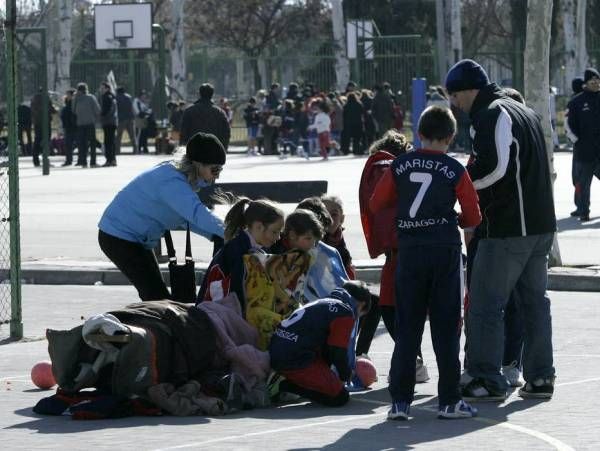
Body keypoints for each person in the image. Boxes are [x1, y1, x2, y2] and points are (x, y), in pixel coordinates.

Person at [445, 59, 557, 401]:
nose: (454, 105)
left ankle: (485, 378)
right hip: (540, 227)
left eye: (454, 96)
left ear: (467, 91)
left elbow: (493, 168)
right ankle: (540, 377)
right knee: (534, 304)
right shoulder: (524, 110)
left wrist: (459, 187)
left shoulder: (492, 114)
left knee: (486, 304)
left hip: (509, 228)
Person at [370, 105, 481, 420]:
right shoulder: (454, 168)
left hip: (410, 251)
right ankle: (449, 401)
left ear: (418, 134)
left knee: (408, 329)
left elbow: (377, 202)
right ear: (450, 137)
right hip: (444, 251)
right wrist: (458, 220)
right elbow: (473, 212)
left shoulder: (400, 165)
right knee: (447, 328)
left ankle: (400, 402)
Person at [98, 132, 227, 302]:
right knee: (156, 296)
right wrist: (230, 231)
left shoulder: (178, 176)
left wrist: (214, 234)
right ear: (198, 164)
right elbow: (197, 214)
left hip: (132, 238)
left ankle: (155, 326)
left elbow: (186, 218)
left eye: (220, 170)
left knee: (157, 298)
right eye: (214, 169)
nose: (217, 176)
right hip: (119, 237)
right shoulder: (172, 182)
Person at [268, 281, 372, 407]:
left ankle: (293, 380)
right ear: (361, 304)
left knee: (326, 362)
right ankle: (285, 385)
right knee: (340, 397)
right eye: (361, 314)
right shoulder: (345, 312)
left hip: (281, 348)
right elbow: (337, 351)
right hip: (294, 357)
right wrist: (346, 374)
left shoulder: (324, 302)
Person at [197, 198, 285, 314]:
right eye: (275, 232)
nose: (278, 237)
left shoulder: (249, 248)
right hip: (215, 315)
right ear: (259, 226)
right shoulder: (238, 252)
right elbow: (237, 293)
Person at [567, 68, 600, 222]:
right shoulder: (576, 102)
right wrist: (577, 142)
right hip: (584, 152)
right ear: (586, 83)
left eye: (597, 80)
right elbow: (569, 126)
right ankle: (583, 211)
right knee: (583, 184)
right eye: (592, 80)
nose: (596, 82)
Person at [180, 83, 231, 150]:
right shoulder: (220, 112)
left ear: (199, 94)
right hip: (213, 149)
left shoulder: (189, 111)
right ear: (212, 95)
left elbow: (183, 131)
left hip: (194, 149)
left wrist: (184, 148)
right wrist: (223, 148)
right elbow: (226, 132)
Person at [72, 82, 100, 168]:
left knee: (82, 144)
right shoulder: (91, 98)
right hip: (90, 122)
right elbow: (97, 110)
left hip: (80, 123)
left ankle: (83, 162)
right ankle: (93, 162)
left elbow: (73, 110)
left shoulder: (75, 99)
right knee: (92, 143)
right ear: (86, 89)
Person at [30, 88, 57, 167]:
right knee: (46, 140)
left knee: (37, 140)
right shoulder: (46, 98)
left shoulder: (34, 99)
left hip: (37, 123)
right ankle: (45, 159)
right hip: (45, 122)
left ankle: (36, 160)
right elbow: (52, 109)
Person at [99, 82, 118, 167]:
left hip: (108, 122)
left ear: (107, 88)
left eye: (103, 88)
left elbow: (106, 111)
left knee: (108, 142)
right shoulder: (112, 96)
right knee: (112, 142)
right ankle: (113, 160)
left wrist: (101, 115)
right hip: (113, 122)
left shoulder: (106, 97)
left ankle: (109, 160)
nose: (101, 90)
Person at [115, 86, 138, 155]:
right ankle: (135, 150)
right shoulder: (129, 97)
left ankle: (117, 150)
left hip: (121, 119)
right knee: (132, 135)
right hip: (130, 118)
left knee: (119, 136)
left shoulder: (117, 97)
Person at [59, 89, 77, 166]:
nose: (66, 96)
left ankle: (79, 159)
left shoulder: (74, 103)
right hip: (67, 126)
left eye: (68, 94)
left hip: (74, 126)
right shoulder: (67, 103)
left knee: (74, 143)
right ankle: (69, 160)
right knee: (68, 144)